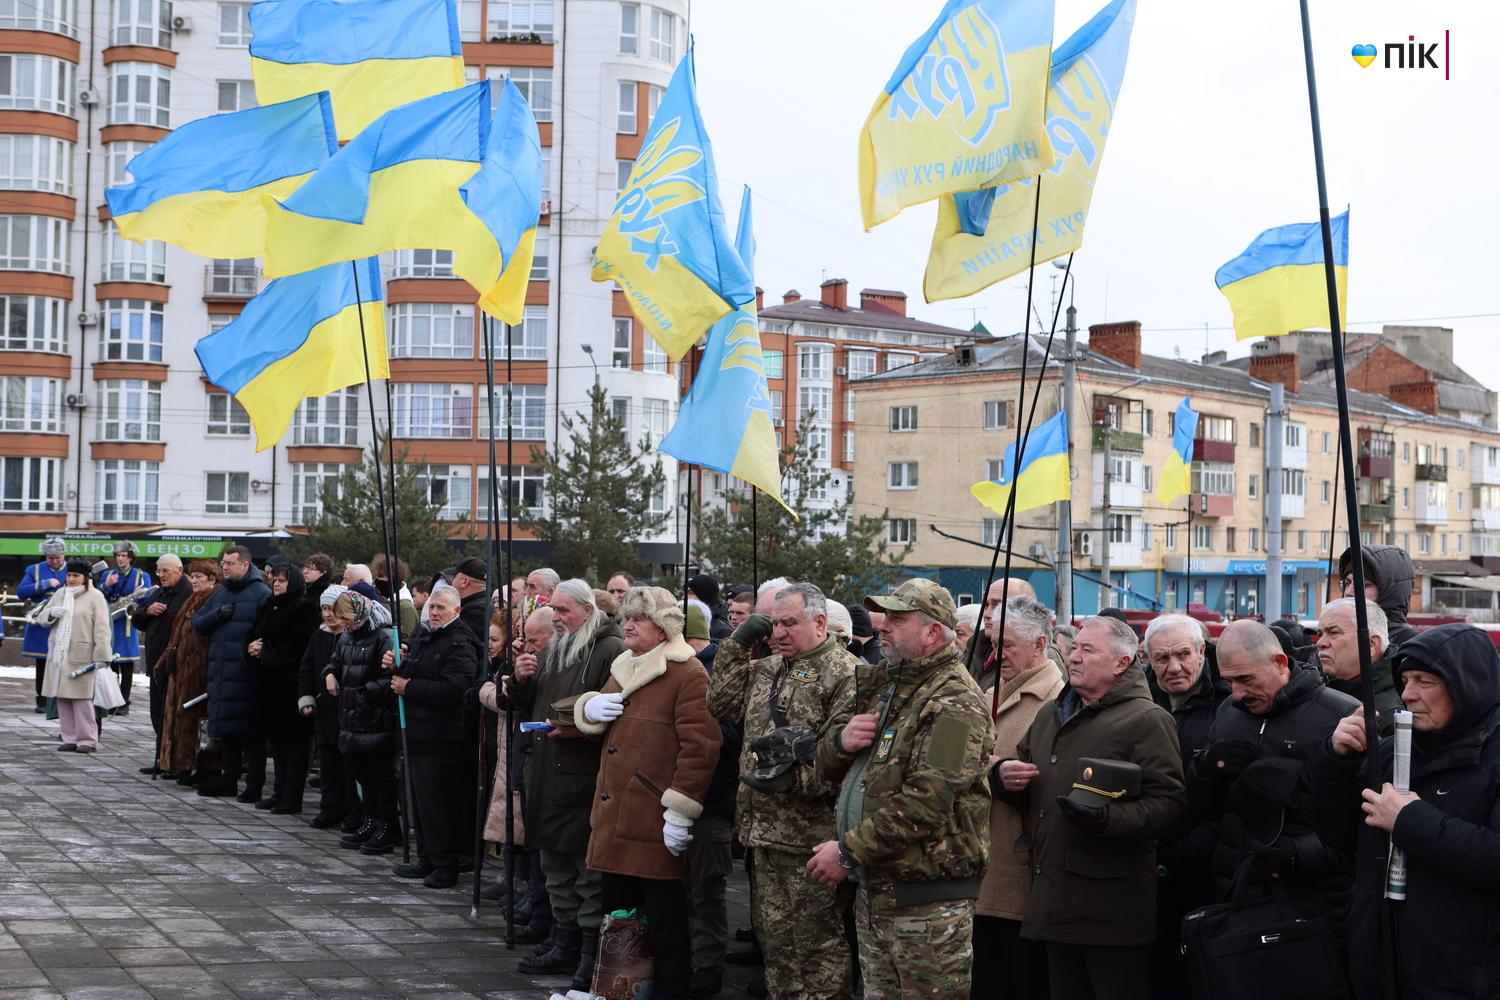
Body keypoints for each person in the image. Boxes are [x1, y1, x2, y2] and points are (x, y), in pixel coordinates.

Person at [811, 578, 994, 998]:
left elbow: (928, 800)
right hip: (878, 890)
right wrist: (841, 743)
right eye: (884, 616)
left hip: (926, 903)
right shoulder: (887, 686)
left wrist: (847, 851)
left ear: (932, 632)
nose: (883, 626)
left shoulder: (955, 701)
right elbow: (826, 764)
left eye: (898, 618)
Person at [996, 615, 1187, 1000]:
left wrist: (1106, 820)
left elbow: (1169, 805)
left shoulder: (1147, 720)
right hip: (1053, 899)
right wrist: (1003, 777)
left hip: (1110, 910)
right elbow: (1027, 777)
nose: (1074, 657)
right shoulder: (1053, 714)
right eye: (1075, 648)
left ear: (1122, 663)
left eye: (1088, 650)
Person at [1314, 623, 1500, 1000]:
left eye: (1426, 681)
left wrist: (1412, 821)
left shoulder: (1494, 758)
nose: (1409, 695)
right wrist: (1337, 761)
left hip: (1463, 975)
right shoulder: (1392, 751)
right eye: (1405, 680)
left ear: (1469, 684)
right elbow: (1336, 838)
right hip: (1378, 964)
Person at [708, 582, 858, 999]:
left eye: (789, 623)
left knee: (817, 948)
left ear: (821, 622)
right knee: (775, 946)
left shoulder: (845, 674)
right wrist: (738, 644)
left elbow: (840, 760)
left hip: (812, 839)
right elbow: (720, 704)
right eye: (773, 625)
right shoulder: (768, 667)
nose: (778, 634)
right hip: (764, 832)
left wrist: (790, 780)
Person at [573, 586, 722, 998]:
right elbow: (601, 727)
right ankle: (620, 989)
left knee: (664, 923)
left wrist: (678, 813)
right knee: (619, 919)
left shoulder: (688, 673)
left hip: (652, 820)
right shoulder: (625, 664)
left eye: (639, 618)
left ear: (664, 628)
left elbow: (701, 749)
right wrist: (588, 709)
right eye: (627, 617)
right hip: (615, 816)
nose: (629, 624)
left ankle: (670, 993)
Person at [1190, 620, 1358, 906]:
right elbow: (1204, 809)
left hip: (1313, 901)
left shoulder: (1342, 716)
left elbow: (1359, 822)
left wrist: (1298, 854)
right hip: (1236, 890)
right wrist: (1205, 769)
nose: (1237, 693)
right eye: (1229, 682)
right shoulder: (1229, 712)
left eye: (1246, 679)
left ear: (1280, 663)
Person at [505, 579, 623, 982]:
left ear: (587, 611)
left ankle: (587, 953)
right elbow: (528, 705)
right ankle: (563, 942)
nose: (555, 617)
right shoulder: (556, 647)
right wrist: (519, 679)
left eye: (563, 611)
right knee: (554, 866)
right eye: (552, 610)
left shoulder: (609, 649)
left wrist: (582, 729)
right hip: (544, 772)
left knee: (584, 870)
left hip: (581, 777)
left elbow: (618, 717)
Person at [973, 596, 1063, 1000]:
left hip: (1017, 870)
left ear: (1040, 645)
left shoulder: (1055, 701)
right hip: (983, 863)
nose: (997, 653)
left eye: (1007, 645)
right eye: (993, 643)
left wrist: (988, 766)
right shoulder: (993, 688)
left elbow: (1043, 778)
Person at [1141, 613, 1226, 998]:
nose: (1173, 667)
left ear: (1202, 652)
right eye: (1161, 658)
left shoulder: (1227, 704)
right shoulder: (1138, 701)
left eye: (1182, 654)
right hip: (1147, 863)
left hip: (1206, 869)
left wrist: (1185, 852)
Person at [380, 587, 481, 888]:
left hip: (439, 737)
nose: (434, 612)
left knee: (438, 806)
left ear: (457, 611)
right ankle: (426, 857)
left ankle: (444, 864)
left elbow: (454, 691)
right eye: (432, 607)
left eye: (441, 608)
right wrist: (395, 662)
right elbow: (410, 672)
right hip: (415, 732)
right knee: (419, 804)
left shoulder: (461, 644)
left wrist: (408, 687)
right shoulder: (424, 635)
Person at [480, 605, 555, 923]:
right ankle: (520, 887)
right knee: (515, 817)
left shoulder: (555, 661)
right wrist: (509, 672)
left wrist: (506, 685)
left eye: (534, 640)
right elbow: (496, 692)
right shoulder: (513, 660)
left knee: (532, 829)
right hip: (515, 748)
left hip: (532, 748)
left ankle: (534, 898)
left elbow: (505, 699)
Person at [681, 602, 738, 998]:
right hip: (678, 800)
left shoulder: (716, 676)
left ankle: (706, 969)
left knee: (706, 893)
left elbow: (731, 740)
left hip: (711, 803)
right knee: (681, 892)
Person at [325, 590, 400, 854]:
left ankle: (386, 825)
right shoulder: (346, 636)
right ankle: (370, 820)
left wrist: (364, 692)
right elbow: (335, 662)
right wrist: (330, 674)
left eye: (346, 617)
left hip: (375, 718)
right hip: (351, 717)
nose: (343, 623)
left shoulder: (383, 636)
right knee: (363, 776)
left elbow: (389, 677)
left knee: (381, 776)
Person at [193, 546, 271, 799]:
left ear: (245, 565)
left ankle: (254, 784)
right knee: (227, 731)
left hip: (247, 674)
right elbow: (199, 622)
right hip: (222, 671)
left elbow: (267, 633)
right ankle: (229, 779)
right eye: (223, 562)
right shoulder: (221, 593)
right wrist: (218, 615)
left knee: (251, 734)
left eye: (229, 563)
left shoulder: (261, 594)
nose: (224, 567)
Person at [244, 562, 320, 814]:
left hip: (291, 686)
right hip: (269, 685)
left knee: (295, 746)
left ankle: (291, 797)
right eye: (274, 580)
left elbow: (299, 645)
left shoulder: (304, 607)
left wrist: (266, 650)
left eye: (282, 580)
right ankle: (279, 792)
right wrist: (253, 646)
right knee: (277, 744)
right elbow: (257, 632)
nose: (276, 584)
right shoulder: (270, 604)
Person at [36, 559, 114, 753]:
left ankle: (87, 740)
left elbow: (102, 629)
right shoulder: (61, 593)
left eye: (76, 576)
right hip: (59, 654)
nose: (71, 579)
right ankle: (70, 737)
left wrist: (102, 656)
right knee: (63, 697)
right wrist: (52, 612)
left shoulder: (95, 596)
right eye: (69, 575)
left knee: (82, 700)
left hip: (84, 655)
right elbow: (41, 618)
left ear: (85, 578)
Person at [158, 561, 222, 782]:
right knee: (178, 718)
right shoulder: (192, 599)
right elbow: (176, 636)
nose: (194, 581)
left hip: (200, 669)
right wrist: (163, 662)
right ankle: (179, 764)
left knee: (194, 720)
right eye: (192, 576)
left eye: (199, 577)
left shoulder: (213, 599)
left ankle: (194, 766)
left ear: (212, 580)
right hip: (182, 668)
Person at [300, 584, 356, 829]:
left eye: (332, 608)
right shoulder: (319, 635)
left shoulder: (349, 636)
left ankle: (350, 811)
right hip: (324, 709)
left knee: (347, 766)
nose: (327, 614)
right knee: (328, 764)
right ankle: (329, 808)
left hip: (346, 710)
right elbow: (306, 669)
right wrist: (306, 698)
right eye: (323, 608)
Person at [132, 553, 193, 775]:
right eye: (158, 571)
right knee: (157, 713)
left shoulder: (187, 592)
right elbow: (137, 618)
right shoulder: (159, 591)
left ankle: (175, 763)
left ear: (179, 570)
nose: (161, 575)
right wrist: (148, 611)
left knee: (174, 717)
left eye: (165, 571)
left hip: (176, 666)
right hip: (156, 665)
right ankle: (161, 758)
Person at [1316, 598, 1401, 738]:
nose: (1320, 643)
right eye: (1320, 634)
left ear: (1371, 644)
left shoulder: (1394, 713)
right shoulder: (1316, 690)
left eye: (1334, 633)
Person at [99, 540, 152, 715]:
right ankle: (112, 701)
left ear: (131, 558)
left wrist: (133, 604)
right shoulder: (108, 573)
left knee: (127, 665)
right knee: (112, 664)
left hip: (128, 623)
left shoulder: (141, 575)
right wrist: (108, 584)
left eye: (124, 556)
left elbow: (147, 596)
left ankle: (124, 702)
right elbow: (99, 596)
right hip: (111, 622)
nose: (120, 559)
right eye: (118, 556)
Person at [18, 536, 68, 713]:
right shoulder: (35, 570)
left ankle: (61, 699)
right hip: (41, 622)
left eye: (58, 558)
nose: (54, 561)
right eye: (50, 558)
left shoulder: (72, 570)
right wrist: (44, 584)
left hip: (64, 620)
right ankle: (41, 700)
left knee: (62, 662)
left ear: (64, 555)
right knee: (42, 662)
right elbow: (21, 592)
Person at [1337, 543, 1417, 650]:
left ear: (1389, 592)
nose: (1348, 592)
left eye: (1362, 585)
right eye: (1347, 583)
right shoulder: (1335, 638)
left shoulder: (1411, 647)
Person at [370, 553, 417, 636]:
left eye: (381, 576)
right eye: (377, 576)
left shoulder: (405, 607)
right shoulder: (380, 599)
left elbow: (407, 638)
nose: (377, 580)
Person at [452, 557, 492, 646]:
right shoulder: (484, 605)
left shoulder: (474, 611)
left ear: (465, 581)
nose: (451, 582)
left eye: (454, 577)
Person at [687, 573, 732, 640]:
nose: (684, 597)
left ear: (704, 596)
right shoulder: (687, 623)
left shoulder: (722, 632)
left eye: (690, 593)